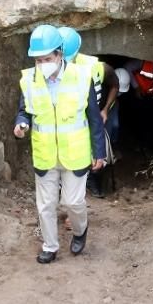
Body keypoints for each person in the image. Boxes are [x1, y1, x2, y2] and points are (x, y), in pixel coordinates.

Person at [14, 24, 107, 264]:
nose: (42, 64)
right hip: (45, 153)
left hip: (75, 152)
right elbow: (25, 111)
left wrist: (99, 151)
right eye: (38, 60)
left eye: (47, 58)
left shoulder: (81, 77)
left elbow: (94, 118)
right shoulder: (29, 80)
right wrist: (21, 124)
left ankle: (79, 231)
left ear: (59, 54)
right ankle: (50, 246)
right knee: (46, 204)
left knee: (73, 202)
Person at [58, 27, 118, 198]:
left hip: (91, 118)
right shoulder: (49, 72)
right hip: (66, 122)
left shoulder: (97, 67)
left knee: (96, 153)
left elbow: (115, 84)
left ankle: (92, 182)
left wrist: (105, 110)